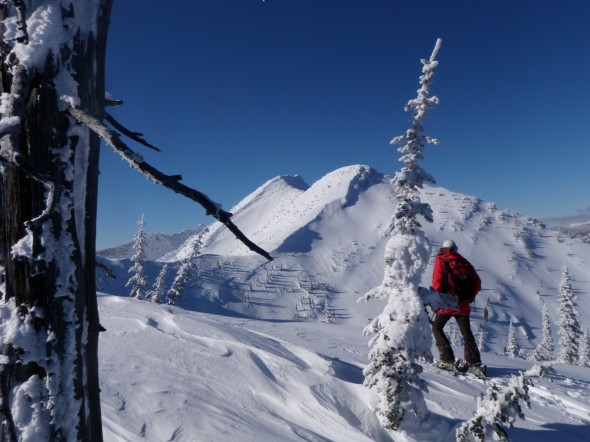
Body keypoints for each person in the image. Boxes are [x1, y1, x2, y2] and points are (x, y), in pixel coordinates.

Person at [431, 239, 483, 375]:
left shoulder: (441, 260)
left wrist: (437, 299)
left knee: (437, 327)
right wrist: (470, 297)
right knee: (466, 333)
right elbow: (477, 282)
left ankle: (447, 359)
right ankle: (474, 363)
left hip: (447, 303)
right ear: (455, 248)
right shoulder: (463, 261)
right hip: (462, 304)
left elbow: (437, 284)